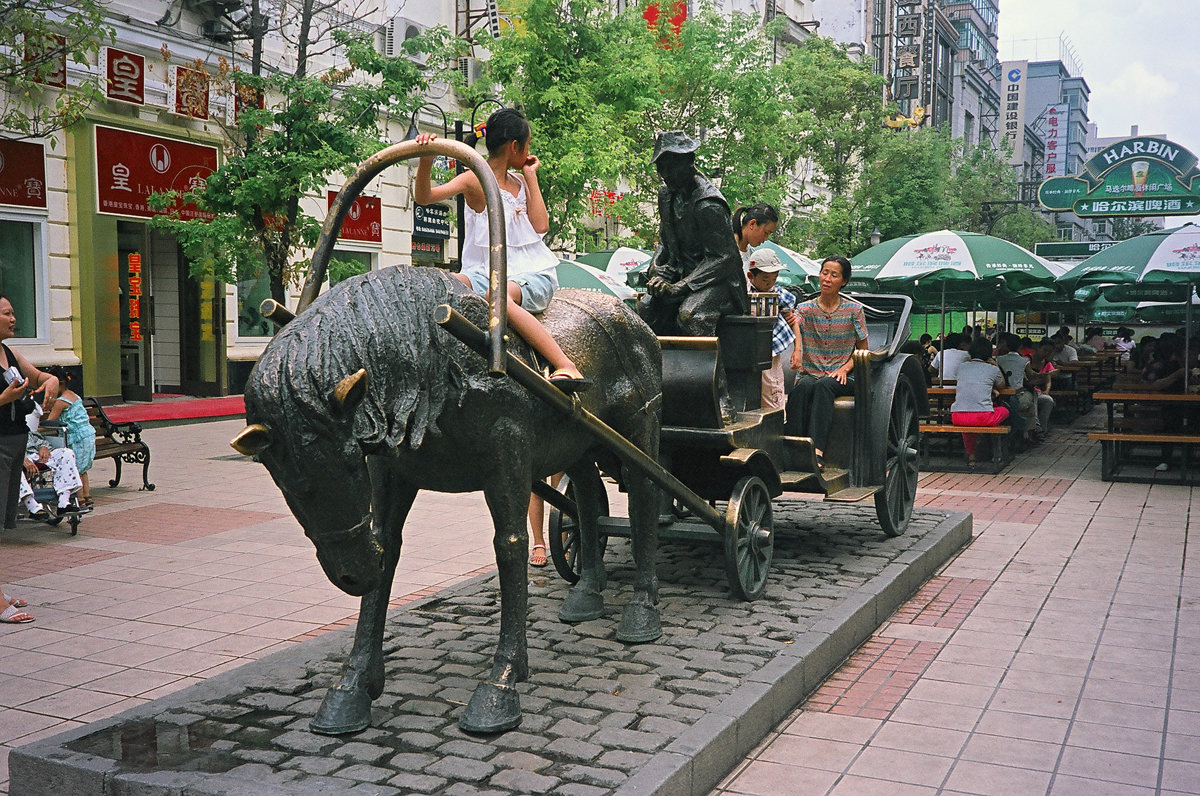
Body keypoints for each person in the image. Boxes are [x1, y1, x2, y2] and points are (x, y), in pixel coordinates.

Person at [412, 109, 589, 392]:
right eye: (528, 146)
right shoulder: (475, 178)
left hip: (530, 274)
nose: (530, 153)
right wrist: (426, 162)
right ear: (515, 146)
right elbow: (425, 198)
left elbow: (541, 225)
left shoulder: (520, 183)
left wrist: (530, 177)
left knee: (498, 296)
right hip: (483, 270)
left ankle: (566, 364)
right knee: (444, 284)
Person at [636, 131, 749, 336]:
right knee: (646, 309)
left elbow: (726, 258)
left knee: (690, 316)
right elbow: (664, 241)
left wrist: (681, 287)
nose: (665, 174)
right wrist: (656, 268)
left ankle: (715, 368)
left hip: (718, 282)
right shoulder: (666, 195)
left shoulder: (708, 204)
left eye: (671, 167)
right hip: (680, 276)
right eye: (661, 168)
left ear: (689, 162)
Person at [0, 294, 57, 625]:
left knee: (4, 524)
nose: (13, 318)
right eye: (7, 313)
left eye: (12, 312)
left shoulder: (9, 353)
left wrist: (48, 380)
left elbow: (38, 377)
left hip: (14, 443)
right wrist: (4, 398)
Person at [784, 256, 868, 468]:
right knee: (801, 387)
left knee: (824, 385)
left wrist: (845, 368)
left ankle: (817, 451)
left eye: (834, 275)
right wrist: (797, 348)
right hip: (810, 373)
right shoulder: (805, 308)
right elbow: (795, 325)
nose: (827, 278)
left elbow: (863, 350)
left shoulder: (854, 311)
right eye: (824, 273)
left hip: (845, 376)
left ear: (843, 281)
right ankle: (793, 448)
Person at [745, 248, 799, 412]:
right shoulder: (744, 293)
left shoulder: (778, 293)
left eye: (774, 278)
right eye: (766, 279)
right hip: (750, 350)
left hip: (772, 349)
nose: (770, 283)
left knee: (773, 386)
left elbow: (792, 320)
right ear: (751, 276)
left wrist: (798, 350)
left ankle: (776, 422)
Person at [951, 337, 1009, 468]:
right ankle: (997, 452)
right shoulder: (992, 369)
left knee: (968, 424)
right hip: (983, 417)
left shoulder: (961, 367)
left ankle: (971, 456)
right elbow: (1002, 386)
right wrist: (995, 365)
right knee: (1004, 410)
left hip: (957, 416)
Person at [42, 366, 96, 508]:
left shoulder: (60, 402)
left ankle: (79, 501)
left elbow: (50, 423)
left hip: (76, 438)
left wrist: (34, 428)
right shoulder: (74, 395)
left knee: (74, 469)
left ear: (58, 383)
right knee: (82, 469)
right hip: (87, 436)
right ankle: (87, 497)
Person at [1025, 339, 1057, 441]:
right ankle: (1035, 427)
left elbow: (1048, 379)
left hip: (1038, 391)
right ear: (1038, 348)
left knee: (1048, 401)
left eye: (1049, 351)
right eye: (1045, 350)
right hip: (1025, 390)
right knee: (1033, 396)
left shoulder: (1047, 363)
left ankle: (1042, 429)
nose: (1046, 353)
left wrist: (1047, 391)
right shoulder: (1027, 360)